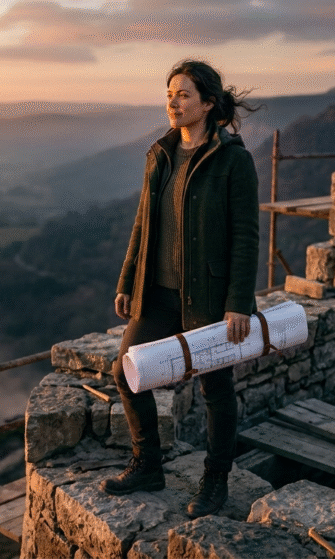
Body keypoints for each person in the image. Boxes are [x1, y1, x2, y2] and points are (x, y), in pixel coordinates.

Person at [101, 59, 260, 519]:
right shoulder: (161, 153)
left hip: (209, 298)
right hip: (159, 292)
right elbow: (144, 222)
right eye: (170, 93)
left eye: (184, 94)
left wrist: (237, 303)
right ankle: (148, 463)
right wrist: (129, 280)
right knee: (126, 372)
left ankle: (216, 480)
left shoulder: (233, 160)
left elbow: (246, 235)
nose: (173, 102)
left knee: (215, 388)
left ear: (209, 104)